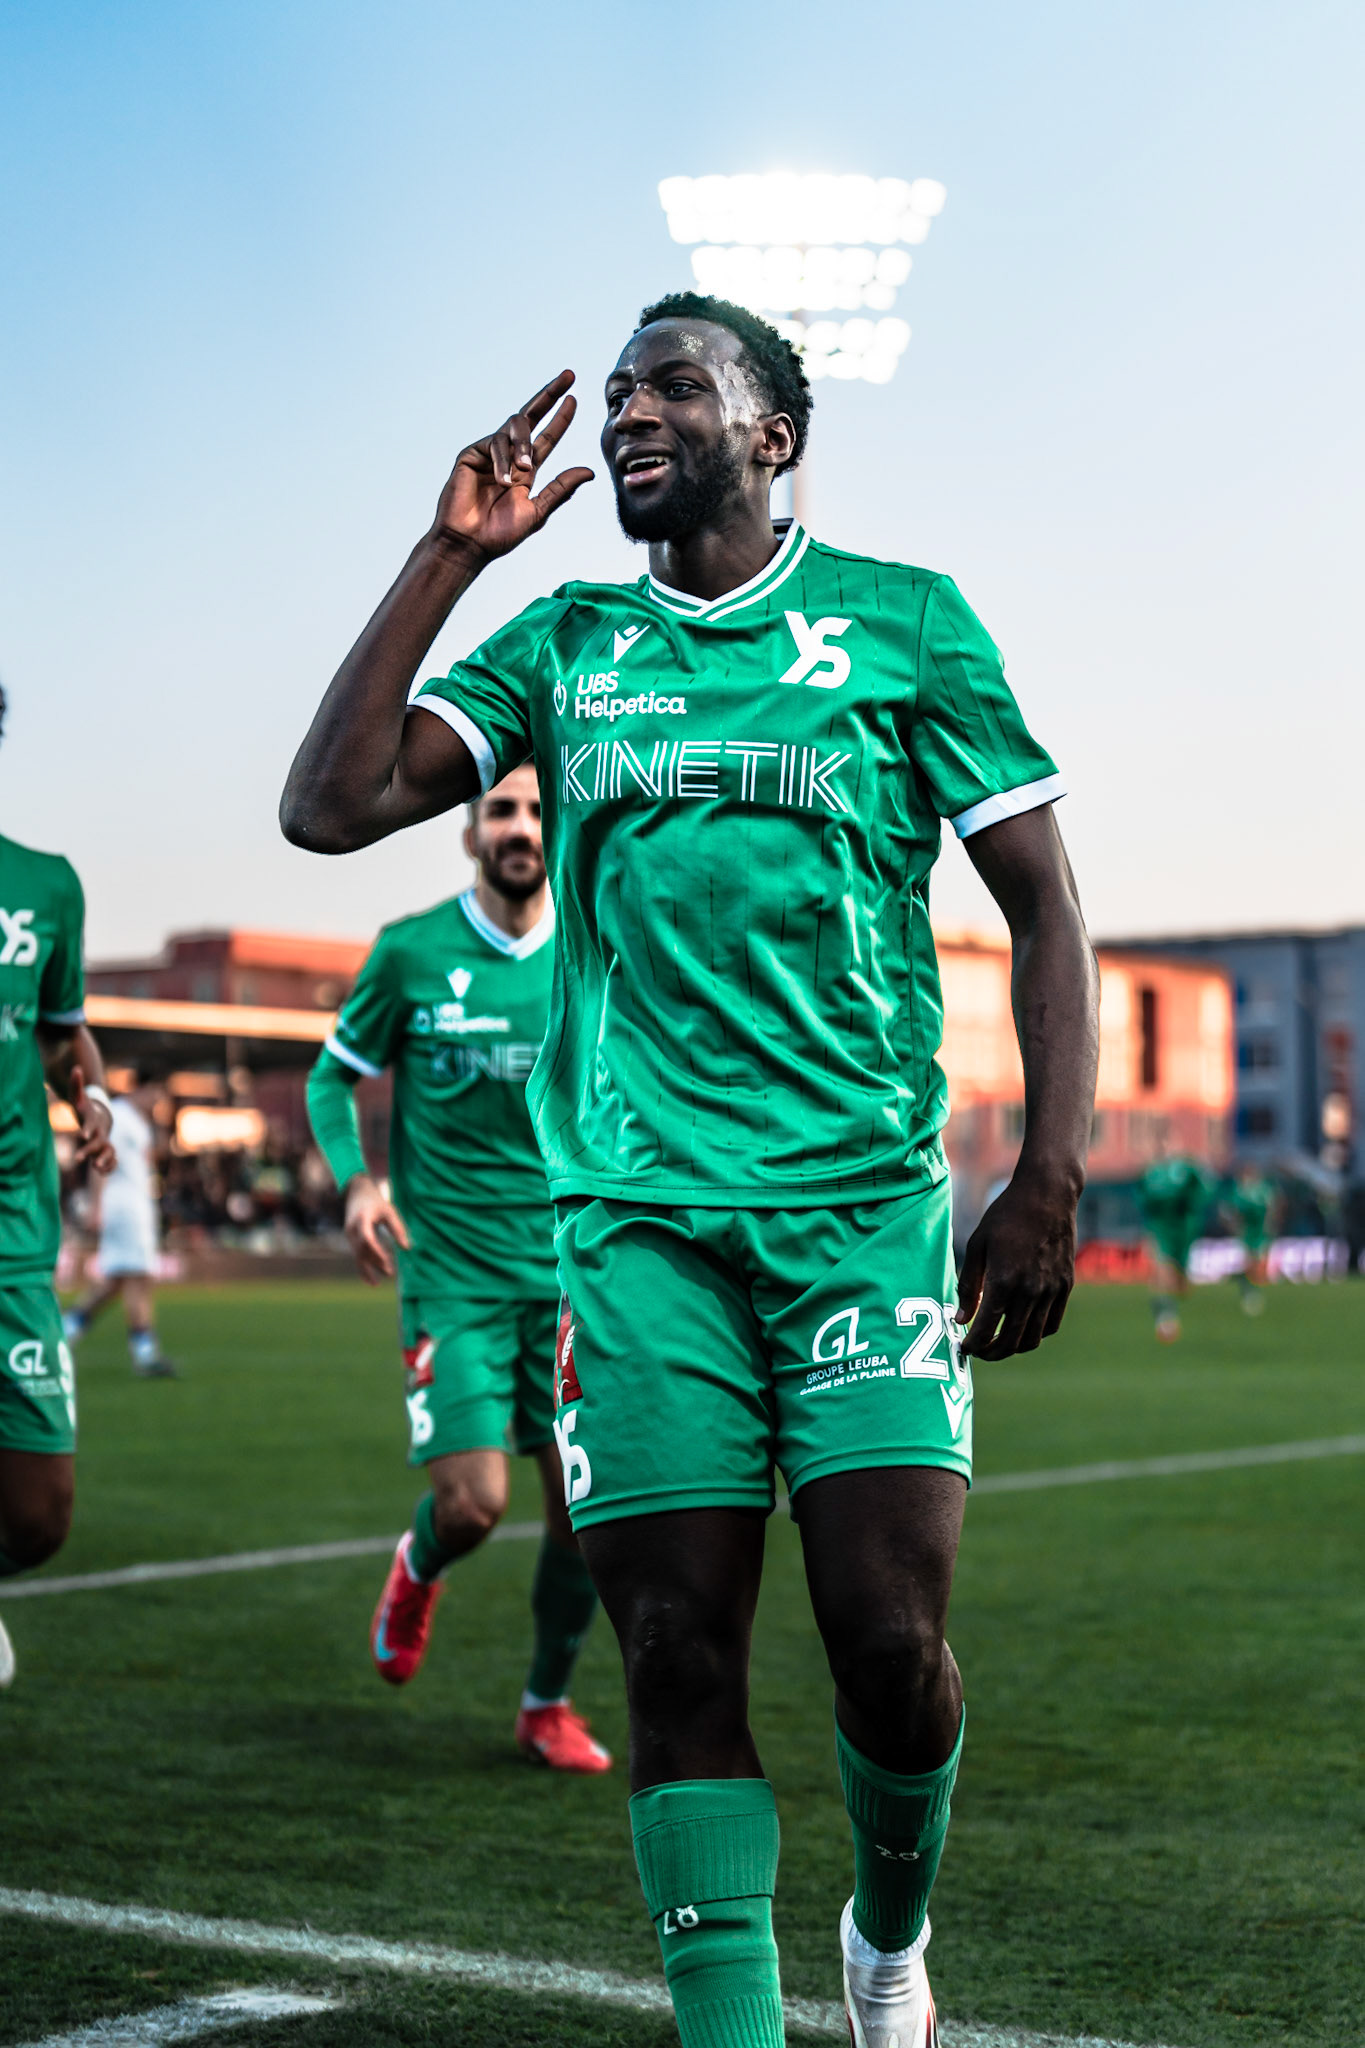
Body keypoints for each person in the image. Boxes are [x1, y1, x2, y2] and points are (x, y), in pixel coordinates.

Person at [281, 293, 1099, 2048]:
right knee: (672, 1654)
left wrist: (1049, 1170)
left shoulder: (906, 623)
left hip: (860, 1212)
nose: (631, 410)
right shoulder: (564, 644)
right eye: (619, 389)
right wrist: (446, 557)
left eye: (673, 383)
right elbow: (328, 807)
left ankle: (888, 1936)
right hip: (638, 1228)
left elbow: (1044, 901)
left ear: (772, 432)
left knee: (888, 1642)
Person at [305, 766, 609, 1774]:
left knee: (584, 1518)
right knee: (475, 1503)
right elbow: (330, 1079)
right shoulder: (412, 951)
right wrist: (358, 1183)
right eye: (501, 811)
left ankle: (545, 1705)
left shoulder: (592, 950)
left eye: (537, 811)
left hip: (571, 1283)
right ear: (470, 832)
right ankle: (419, 1558)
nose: (520, 827)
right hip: (455, 1281)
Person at [0, 683, 116, 1687]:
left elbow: (60, 1031)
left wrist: (95, 1095)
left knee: (40, 1517)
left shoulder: (47, 886)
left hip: (14, 1234)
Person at [63, 1070, 177, 1376]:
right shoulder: (118, 1117)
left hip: (135, 1206)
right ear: (143, 1088)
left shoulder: (138, 1121)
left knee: (114, 1282)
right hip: (124, 1208)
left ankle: (64, 1330)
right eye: (156, 1092)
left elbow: (149, 1160)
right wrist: (96, 1205)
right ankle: (145, 1353)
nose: (158, 1100)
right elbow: (100, 1159)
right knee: (139, 1277)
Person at [1137, 1147, 1215, 1341]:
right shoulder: (1151, 1173)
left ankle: (1171, 1301)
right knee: (1161, 1270)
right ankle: (1166, 1317)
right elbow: (1143, 1197)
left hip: (1184, 1229)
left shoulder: (1187, 1169)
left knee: (1181, 1285)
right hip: (1160, 1228)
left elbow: (1205, 1190)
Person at [1222, 1161, 1280, 1314]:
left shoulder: (1263, 1190)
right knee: (1250, 1259)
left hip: (1261, 1230)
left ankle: (1253, 1286)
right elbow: (1230, 1211)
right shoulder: (1240, 1192)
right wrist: (1235, 1227)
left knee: (1261, 1259)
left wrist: (1270, 1224)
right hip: (1248, 1231)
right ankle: (1250, 1289)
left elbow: (1272, 1207)